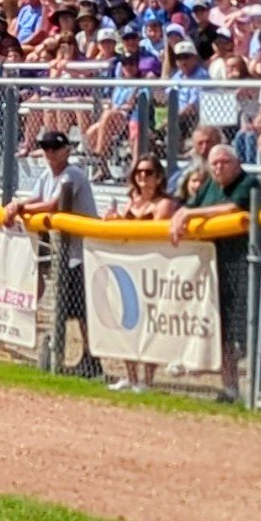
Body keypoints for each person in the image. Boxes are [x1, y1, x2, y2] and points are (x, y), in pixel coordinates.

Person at [3, 129, 103, 379]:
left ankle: (91, 358)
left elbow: (52, 205)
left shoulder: (73, 175)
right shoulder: (48, 175)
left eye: (55, 148)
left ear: (67, 150)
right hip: (63, 253)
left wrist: (19, 206)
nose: (50, 153)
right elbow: (37, 197)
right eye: (46, 148)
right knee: (71, 310)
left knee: (80, 312)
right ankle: (73, 356)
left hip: (82, 252)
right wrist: (18, 205)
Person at [173, 136, 261, 404]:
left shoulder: (247, 182)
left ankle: (260, 389)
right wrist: (180, 216)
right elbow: (189, 206)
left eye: (225, 162)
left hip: (245, 265)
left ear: (237, 164)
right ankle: (231, 387)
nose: (220, 168)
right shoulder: (210, 184)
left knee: (248, 331)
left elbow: (233, 207)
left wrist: (192, 215)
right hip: (215, 266)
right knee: (223, 331)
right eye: (215, 163)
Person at [105, 154, 177, 392]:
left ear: (158, 178)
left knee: (150, 324)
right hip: (129, 265)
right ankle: (131, 375)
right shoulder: (132, 203)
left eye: (148, 173)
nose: (143, 177)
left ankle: (147, 379)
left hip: (153, 267)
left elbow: (154, 232)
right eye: (139, 173)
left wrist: (123, 225)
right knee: (128, 322)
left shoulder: (163, 204)